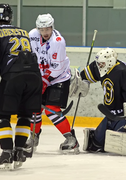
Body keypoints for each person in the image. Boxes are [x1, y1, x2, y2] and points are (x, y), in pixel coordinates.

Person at [0, 4, 42, 170]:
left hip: (13, 76)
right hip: (34, 75)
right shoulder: (23, 32)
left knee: (2, 115)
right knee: (24, 115)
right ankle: (19, 152)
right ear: (11, 17)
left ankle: (6, 153)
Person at [24, 13, 89, 154]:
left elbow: (57, 67)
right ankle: (33, 138)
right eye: (42, 29)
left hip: (58, 77)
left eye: (47, 29)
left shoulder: (58, 41)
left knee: (51, 110)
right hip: (41, 77)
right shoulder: (32, 35)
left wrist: (45, 82)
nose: (45, 32)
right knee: (34, 109)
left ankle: (72, 140)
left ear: (52, 27)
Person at [80, 48, 126, 152]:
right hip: (110, 115)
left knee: (116, 144)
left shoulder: (123, 72)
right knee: (96, 144)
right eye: (99, 63)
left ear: (110, 61)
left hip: (124, 116)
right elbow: (85, 75)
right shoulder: (99, 66)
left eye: (101, 64)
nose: (99, 66)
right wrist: (80, 82)